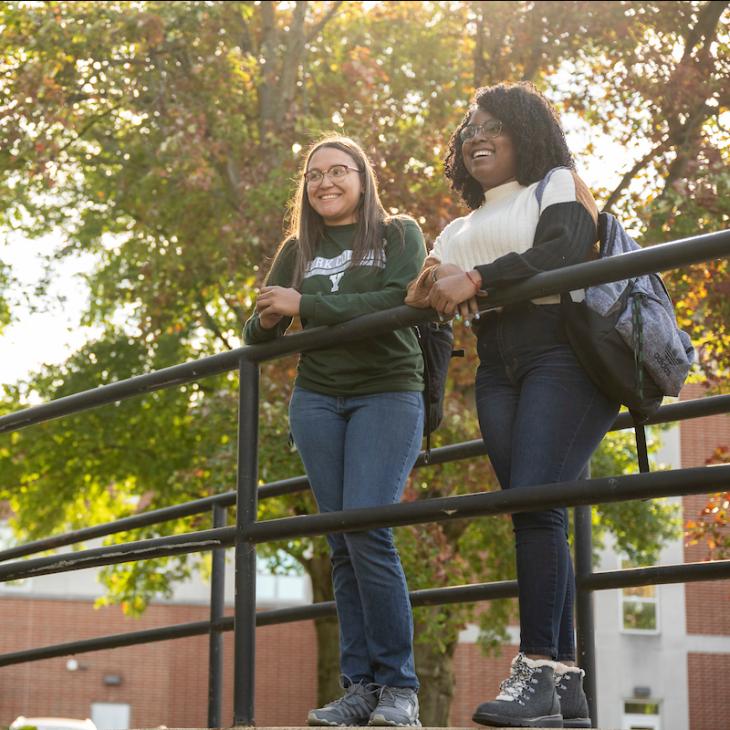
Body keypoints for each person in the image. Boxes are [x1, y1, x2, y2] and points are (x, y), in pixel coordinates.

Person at [407, 82, 619, 729]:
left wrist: (476, 279)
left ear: (525, 132)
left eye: (493, 125)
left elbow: (563, 245)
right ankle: (565, 683)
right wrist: (428, 286)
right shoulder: (457, 227)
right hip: (495, 364)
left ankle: (535, 667)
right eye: (469, 127)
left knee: (532, 501)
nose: (477, 136)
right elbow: (421, 292)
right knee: (532, 507)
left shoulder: (556, 182)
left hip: (562, 354)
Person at [243, 135, 426, 727]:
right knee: (341, 545)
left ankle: (400, 688)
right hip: (318, 400)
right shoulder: (299, 248)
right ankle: (360, 689)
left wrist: (307, 302)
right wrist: (270, 316)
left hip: (387, 390)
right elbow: (258, 333)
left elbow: (393, 299)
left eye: (338, 171)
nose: (325, 182)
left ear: (362, 177)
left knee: (367, 528)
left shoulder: (399, 233)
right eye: (314, 174)